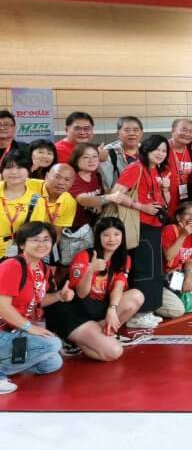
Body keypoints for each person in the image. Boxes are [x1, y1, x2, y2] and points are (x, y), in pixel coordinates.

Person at [45, 217, 144, 361]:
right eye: (106, 235)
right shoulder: (84, 256)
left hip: (96, 308)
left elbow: (118, 287)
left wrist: (112, 309)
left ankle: (98, 334)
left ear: (122, 236)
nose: (112, 239)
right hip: (74, 310)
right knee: (114, 352)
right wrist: (91, 270)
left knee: (137, 296)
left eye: (116, 234)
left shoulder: (124, 258)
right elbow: (81, 293)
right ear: (98, 236)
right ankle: (72, 339)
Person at [108, 135, 172, 329]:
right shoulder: (136, 168)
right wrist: (141, 206)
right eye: (156, 149)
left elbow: (164, 202)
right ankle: (137, 314)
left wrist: (166, 189)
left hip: (154, 226)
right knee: (143, 269)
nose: (160, 153)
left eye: (164, 150)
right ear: (146, 149)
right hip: (139, 225)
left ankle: (148, 310)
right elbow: (116, 194)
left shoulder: (157, 170)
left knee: (153, 269)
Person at [0, 222, 70, 393]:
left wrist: (59, 296)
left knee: (52, 363)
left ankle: (5, 363)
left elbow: (37, 300)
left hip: (15, 330)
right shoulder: (12, 266)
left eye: (46, 239)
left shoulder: (43, 269)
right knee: (52, 344)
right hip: (3, 330)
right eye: (35, 239)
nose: (42, 244)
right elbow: (2, 306)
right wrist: (29, 327)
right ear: (22, 244)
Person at [156, 202, 192, 319]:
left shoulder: (191, 234)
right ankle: (154, 303)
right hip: (161, 280)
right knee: (178, 311)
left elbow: (189, 261)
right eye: (188, 214)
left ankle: (174, 297)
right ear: (178, 217)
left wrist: (188, 279)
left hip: (175, 278)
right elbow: (169, 256)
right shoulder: (169, 230)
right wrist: (183, 236)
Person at [0, 155, 50, 258]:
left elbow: (34, 234)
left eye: (20, 167)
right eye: (8, 167)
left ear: (29, 170)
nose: (14, 172)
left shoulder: (37, 201)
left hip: (16, 254)